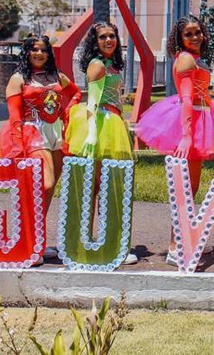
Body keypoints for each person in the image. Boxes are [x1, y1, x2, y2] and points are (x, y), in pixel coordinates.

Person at [136, 15, 214, 265]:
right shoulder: (186, 59)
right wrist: (186, 136)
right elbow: (186, 98)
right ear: (179, 38)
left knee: (191, 187)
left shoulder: (197, 59)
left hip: (202, 117)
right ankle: (176, 245)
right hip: (190, 121)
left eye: (198, 32)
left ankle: (188, 237)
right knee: (185, 188)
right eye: (189, 34)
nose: (195, 37)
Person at [0, 34, 81, 263]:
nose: (39, 54)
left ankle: (35, 241)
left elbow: (75, 93)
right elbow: (14, 115)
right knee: (44, 184)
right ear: (27, 52)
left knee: (48, 192)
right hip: (32, 133)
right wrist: (17, 147)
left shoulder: (56, 75)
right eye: (34, 49)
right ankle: (28, 240)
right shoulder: (18, 78)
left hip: (56, 134)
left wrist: (67, 112)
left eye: (44, 50)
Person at [65, 21, 137, 265]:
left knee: (107, 186)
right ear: (94, 43)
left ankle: (108, 241)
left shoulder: (112, 65)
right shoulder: (97, 66)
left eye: (112, 36)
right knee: (96, 186)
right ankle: (87, 240)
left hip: (114, 122)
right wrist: (92, 133)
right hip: (101, 124)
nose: (109, 40)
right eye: (103, 37)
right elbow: (92, 104)